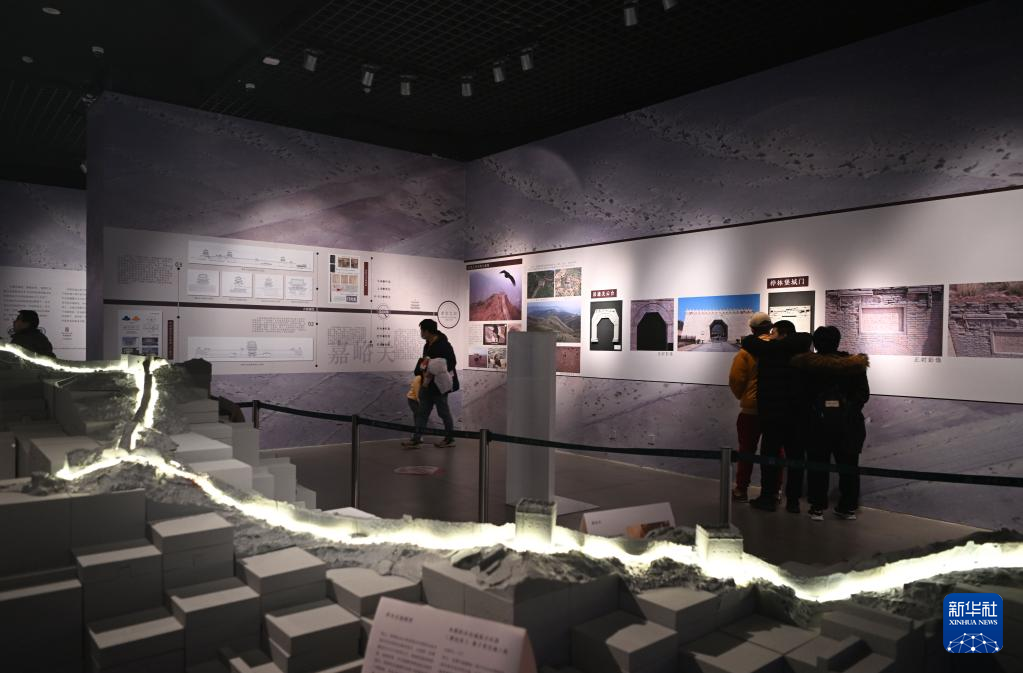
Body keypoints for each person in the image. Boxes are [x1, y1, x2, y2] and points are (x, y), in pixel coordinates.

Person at [791, 326, 869, 521]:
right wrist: (848, 410)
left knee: (817, 466)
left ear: (816, 343)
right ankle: (847, 507)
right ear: (838, 341)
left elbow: (799, 396)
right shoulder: (854, 366)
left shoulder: (806, 366)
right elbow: (863, 395)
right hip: (848, 425)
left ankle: (817, 507)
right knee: (848, 467)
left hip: (816, 425)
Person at [740, 320, 811, 512]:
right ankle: (793, 502)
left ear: (782, 334)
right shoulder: (802, 350)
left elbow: (748, 341)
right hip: (796, 415)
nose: (770, 336)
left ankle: (767, 497)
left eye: (773, 332)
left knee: (769, 458)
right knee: (795, 459)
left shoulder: (770, 350)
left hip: (772, 415)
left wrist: (771, 342)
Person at [727, 312, 772, 502]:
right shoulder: (779, 349)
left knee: (746, 450)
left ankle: (741, 489)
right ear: (770, 328)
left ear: (752, 329)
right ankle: (774, 491)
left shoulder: (745, 352)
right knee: (775, 453)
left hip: (751, 410)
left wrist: (744, 396)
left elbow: (736, 380)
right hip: (774, 409)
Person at [402, 319, 459, 448]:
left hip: (439, 386)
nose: (421, 333)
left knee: (443, 413)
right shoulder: (427, 345)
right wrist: (424, 368)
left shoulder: (444, 345)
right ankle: (416, 439)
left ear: (427, 331)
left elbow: (452, 362)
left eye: (422, 330)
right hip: (426, 384)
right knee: (422, 413)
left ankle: (449, 439)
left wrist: (436, 369)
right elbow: (425, 361)